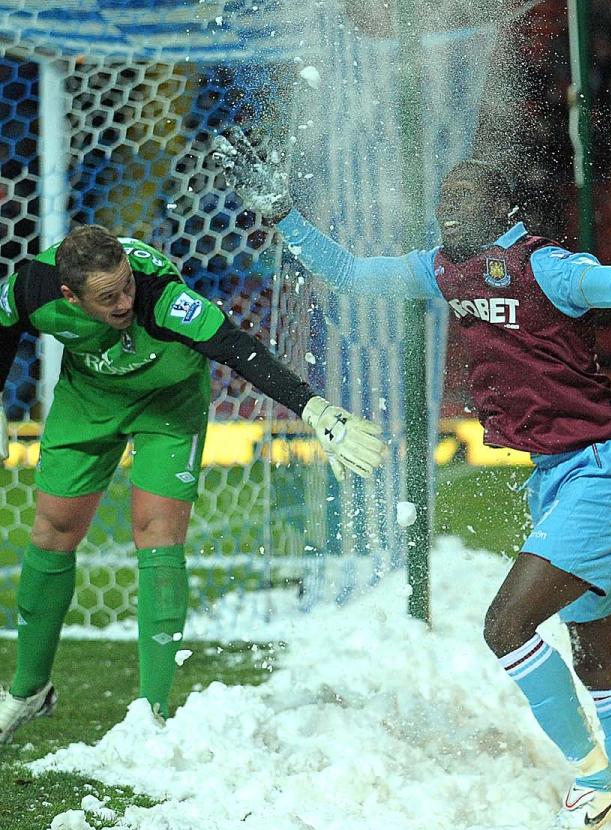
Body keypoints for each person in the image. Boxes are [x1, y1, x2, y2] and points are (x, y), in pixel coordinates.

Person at [214, 130, 611, 830]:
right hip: (560, 476)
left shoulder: (545, 266)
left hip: (603, 477)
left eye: (464, 197)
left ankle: (595, 777)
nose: (447, 206)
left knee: (506, 625)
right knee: (599, 657)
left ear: (504, 205)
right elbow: (352, 274)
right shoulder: (444, 270)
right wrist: (284, 215)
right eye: (443, 196)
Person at [0, 225, 386, 740]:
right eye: (107, 297)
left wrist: (314, 409)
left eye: (126, 286)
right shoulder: (33, 287)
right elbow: (4, 329)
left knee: (157, 535)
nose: (123, 302)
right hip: (88, 397)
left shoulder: (161, 298)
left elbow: (236, 347)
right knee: (52, 532)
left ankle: (151, 715)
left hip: (169, 404)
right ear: (70, 296)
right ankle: (29, 692)